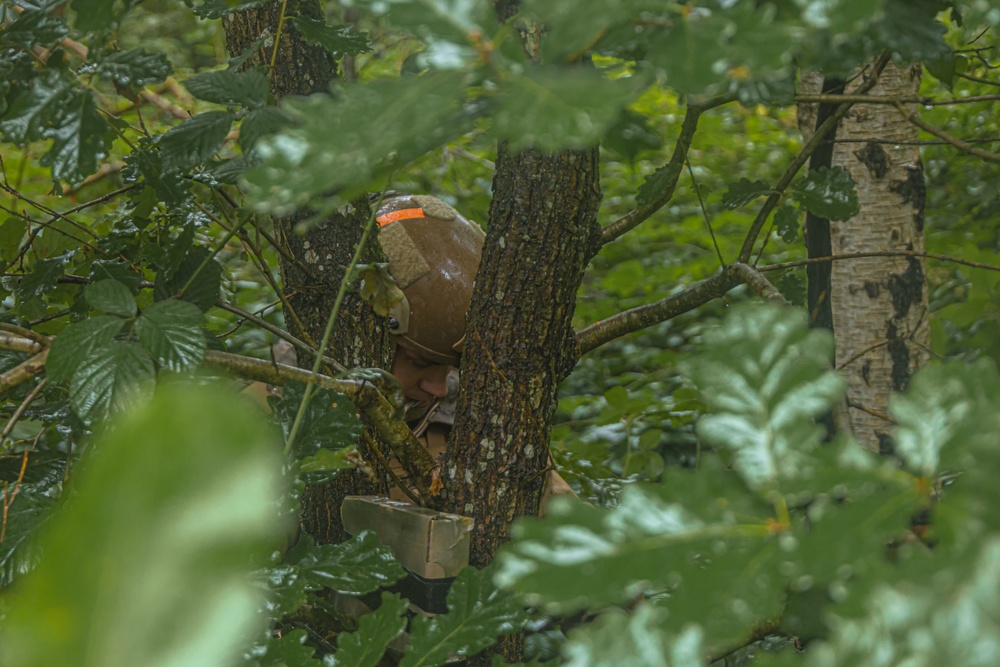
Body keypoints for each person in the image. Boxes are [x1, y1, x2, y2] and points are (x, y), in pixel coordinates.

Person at [376, 193, 574, 509]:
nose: (439, 388)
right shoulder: (274, 418)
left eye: (453, 367)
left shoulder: (481, 422)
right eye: (420, 361)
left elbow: (567, 522)